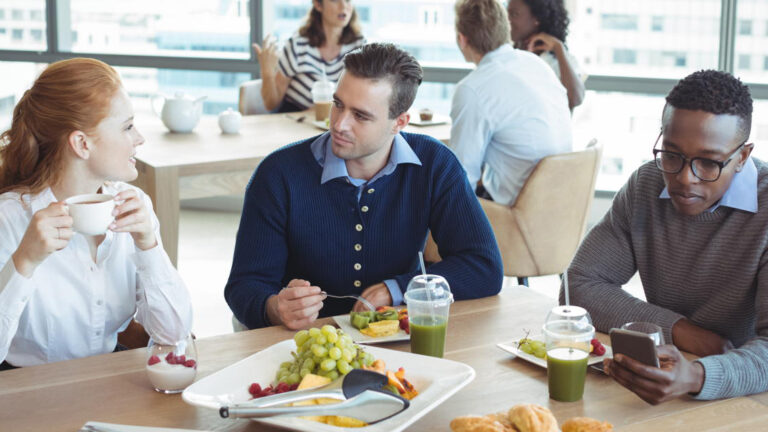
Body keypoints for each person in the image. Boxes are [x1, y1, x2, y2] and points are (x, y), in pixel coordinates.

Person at [225, 43, 503, 330]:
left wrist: (399, 288)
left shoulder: (435, 164)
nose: (339, 124)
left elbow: (483, 267)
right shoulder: (278, 174)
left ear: (400, 122)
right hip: (301, 342)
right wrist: (276, 308)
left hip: (393, 338)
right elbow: (244, 285)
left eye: (360, 115)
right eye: (338, 104)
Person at [565, 70, 767, 403]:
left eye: (708, 162)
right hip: (671, 376)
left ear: (742, 157)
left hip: (750, 395)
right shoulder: (647, 184)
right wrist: (686, 333)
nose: (686, 178)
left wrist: (699, 376)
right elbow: (580, 284)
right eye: (672, 155)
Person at [0, 58, 193, 368]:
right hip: (28, 398)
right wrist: (24, 261)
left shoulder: (134, 205)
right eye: (128, 127)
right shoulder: (9, 218)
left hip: (106, 386)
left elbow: (174, 333)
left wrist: (149, 247)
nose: (139, 138)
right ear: (81, 144)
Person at [451, 0, 572, 205]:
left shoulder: (472, 89)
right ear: (505, 28)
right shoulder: (536, 64)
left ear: (462, 40)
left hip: (516, 215)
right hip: (560, 209)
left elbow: (460, 179)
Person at [254, 0, 365, 112]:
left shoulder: (359, 46)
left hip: (333, 122)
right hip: (295, 120)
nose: (343, 6)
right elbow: (271, 104)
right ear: (318, 4)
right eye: (335, 0)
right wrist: (267, 71)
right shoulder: (297, 45)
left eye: (348, 1)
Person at [507, 0, 585, 110]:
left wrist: (559, 48)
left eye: (514, 14)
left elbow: (575, 99)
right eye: (506, 13)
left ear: (537, 19)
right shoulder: (507, 55)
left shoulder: (558, 61)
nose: (507, 19)